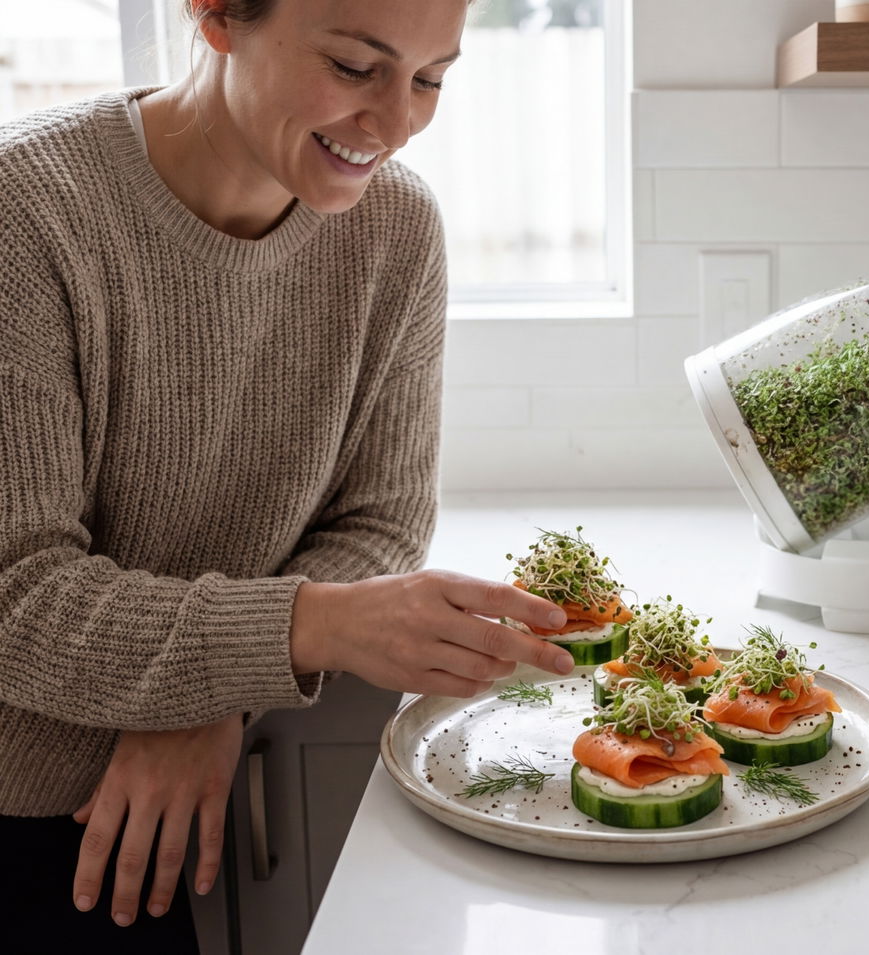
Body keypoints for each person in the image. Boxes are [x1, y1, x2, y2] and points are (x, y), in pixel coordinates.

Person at [0, 0, 575, 949]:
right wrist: (304, 626)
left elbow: (381, 518)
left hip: (170, 814)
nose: (396, 124)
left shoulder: (395, 231)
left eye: (431, 79)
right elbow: (17, 600)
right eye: (357, 68)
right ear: (217, 15)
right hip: (30, 815)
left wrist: (215, 690)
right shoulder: (26, 211)